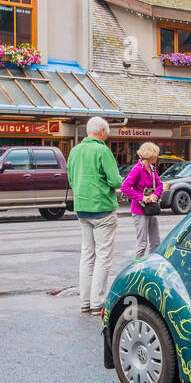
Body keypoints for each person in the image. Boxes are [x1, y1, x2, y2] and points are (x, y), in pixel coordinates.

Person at [66, 116, 122, 315]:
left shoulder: (75, 150)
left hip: (82, 207)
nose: (106, 136)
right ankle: (97, 302)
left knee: (87, 255)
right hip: (102, 209)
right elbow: (115, 181)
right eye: (106, 133)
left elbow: (71, 179)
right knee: (103, 256)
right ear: (102, 132)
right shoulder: (102, 150)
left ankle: (84, 301)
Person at [120, 141, 164, 259]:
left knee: (155, 242)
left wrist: (155, 195)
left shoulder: (152, 169)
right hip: (139, 210)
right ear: (150, 155)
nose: (157, 157)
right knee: (142, 244)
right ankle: (136, 269)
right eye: (155, 154)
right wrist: (142, 198)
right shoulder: (137, 169)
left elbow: (160, 185)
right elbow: (124, 187)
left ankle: (151, 265)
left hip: (151, 209)